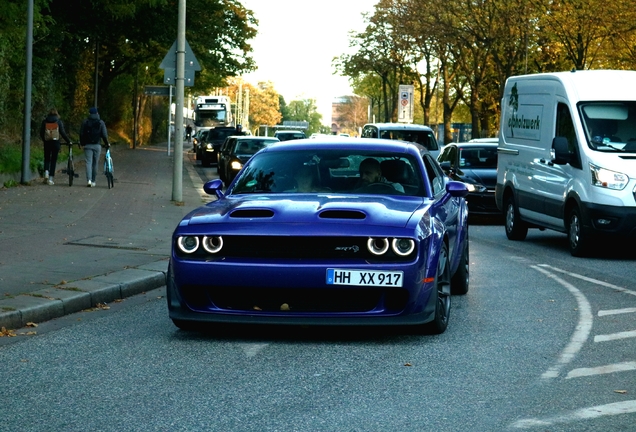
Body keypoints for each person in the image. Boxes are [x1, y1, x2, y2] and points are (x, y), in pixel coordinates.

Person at [39, 108, 71, 185]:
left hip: (47, 143)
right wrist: (69, 141)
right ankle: (50, 179)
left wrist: (44, 140)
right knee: (53, 160)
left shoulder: (45, 121)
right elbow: (63, 133)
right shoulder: (58, 122)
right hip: (55, 143)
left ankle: (46, 172)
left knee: (47, 158)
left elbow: (41, 132)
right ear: (57, 114)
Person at [79, 107, 110, 187]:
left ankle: (88, 180)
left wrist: (82, 143)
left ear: (89, 113)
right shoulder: (101, 122)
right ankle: (93, 181)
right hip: (97, 145)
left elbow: (81, 133)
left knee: (88, 162)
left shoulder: (85, 122)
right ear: (97, 113)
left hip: (87, 145)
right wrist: (107, 143)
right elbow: (104, 135)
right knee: (95, 163)